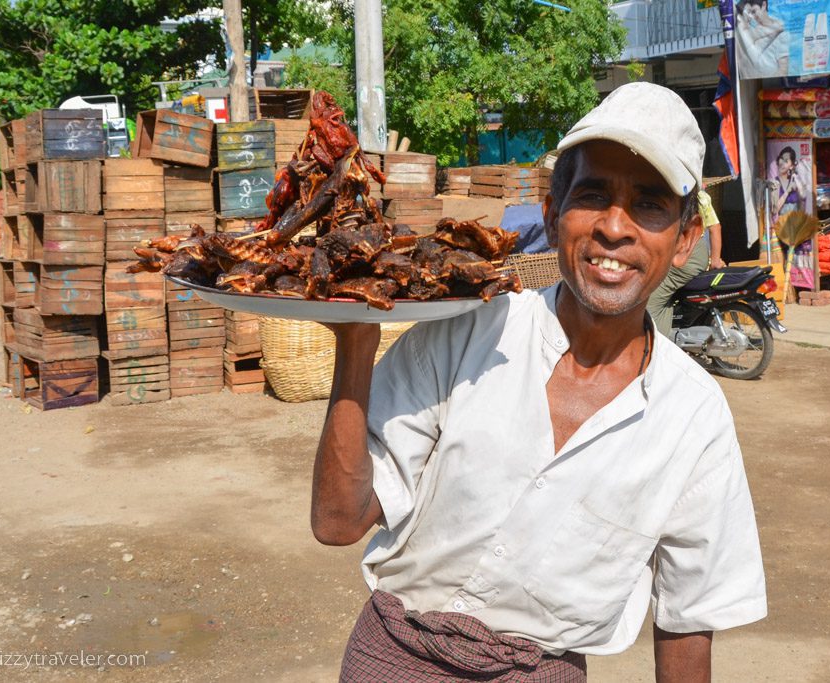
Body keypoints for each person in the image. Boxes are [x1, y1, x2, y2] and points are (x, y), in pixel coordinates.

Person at [311, 82, 767, 682]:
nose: (614, 227)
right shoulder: (468, 334)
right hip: (395, 659)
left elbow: (687, 617)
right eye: (593, 195)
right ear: (552, 218)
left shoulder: (693, 416)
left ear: (684, 239)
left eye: (649, 205)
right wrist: (356, 341)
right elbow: (339, 522)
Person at [646, 187, 725, 339]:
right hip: (698, 254)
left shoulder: (675, 194)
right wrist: (715, 259)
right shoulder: (701, 196)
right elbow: (715, 228)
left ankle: (655, 346)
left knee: (652, 298)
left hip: (686, 257)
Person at [735, 0, 790, 78]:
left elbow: (783, 70)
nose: (752, 17)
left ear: (764, 5)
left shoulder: (782, 32)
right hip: (752, 81)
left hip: (771, 82)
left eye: (754, 11)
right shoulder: (751, 32)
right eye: (750, 13)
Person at [771, 146, 807, 222]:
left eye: (786, 161)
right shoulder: (775, 183)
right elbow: (774, 210)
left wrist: (799, 191)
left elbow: (802, 206)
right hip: (782, 225)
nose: (782, 163)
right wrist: (787, 191)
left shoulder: (796, 180)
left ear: (792, 166)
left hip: (796, 223)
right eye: (781, 159)